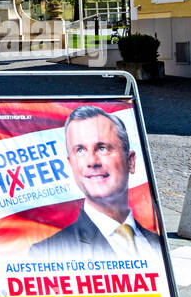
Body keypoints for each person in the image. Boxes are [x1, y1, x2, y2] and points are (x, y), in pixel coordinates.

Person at [30, 105, 162, 258]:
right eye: (80, 150)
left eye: (102, 148)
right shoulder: (47, 253)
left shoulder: (157, 243)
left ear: (131, 161)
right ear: (71, 165)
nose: (92, 162)